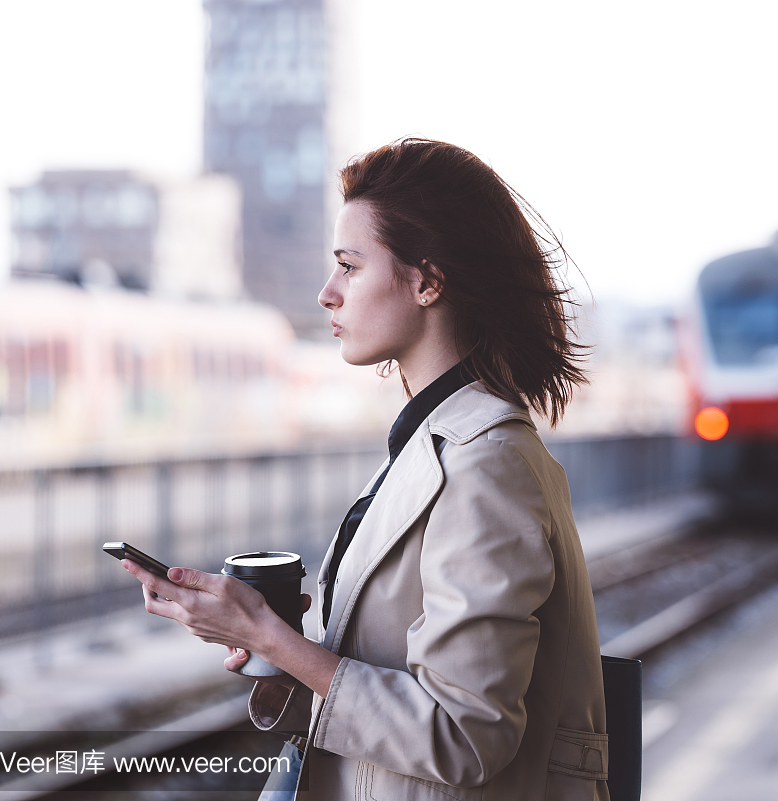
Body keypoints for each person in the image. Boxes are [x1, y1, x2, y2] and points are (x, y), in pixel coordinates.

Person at [122, 138, 609, 800]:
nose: (327, 293)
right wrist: (276, 649)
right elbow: (386, 702)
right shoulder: (432, 441)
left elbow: (464, 735)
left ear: (427, 281)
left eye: (349, 266)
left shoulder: (487, 463)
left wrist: (271, 635)